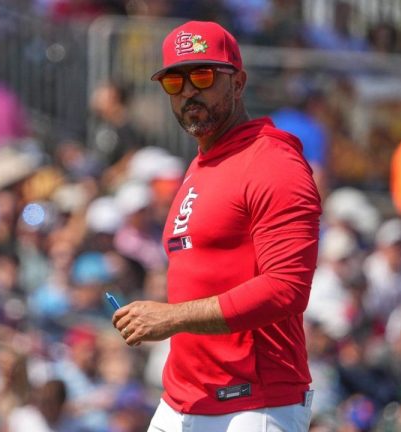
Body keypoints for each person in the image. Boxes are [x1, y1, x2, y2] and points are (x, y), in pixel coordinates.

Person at [111, 21, 321, 432]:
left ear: (238, 83)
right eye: (175, 82)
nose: (189, 91)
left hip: (253, 403)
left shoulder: (273, 162)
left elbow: (287, 289)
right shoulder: (202, 163)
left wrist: (172, 318)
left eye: (203, 76)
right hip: (181, 402)